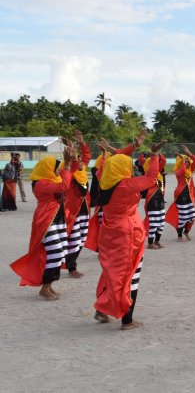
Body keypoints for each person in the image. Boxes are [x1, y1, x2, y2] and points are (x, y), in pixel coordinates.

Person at [92, 142, 163, 330]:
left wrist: (132, 146)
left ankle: (102, 309)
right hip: (127, 234)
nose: (131, 170)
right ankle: (127, 319)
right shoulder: (125, 185)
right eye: (129, 167)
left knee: (111, 271)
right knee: (129, 274)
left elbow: (109, 164)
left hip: (109, 232)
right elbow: (151, 177)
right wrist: (154, 155)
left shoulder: (103, 179)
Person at [10, 142, 75, 300]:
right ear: (48, 169)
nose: (59, 170)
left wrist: (71, 159)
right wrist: (67, 164)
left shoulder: (51, 180)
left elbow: (69, 177)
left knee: (60, 252)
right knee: (56, 252)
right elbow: (65, 186)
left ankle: (49, 285)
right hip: (47, 219)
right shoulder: (41, 184)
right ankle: (44, 288)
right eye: (56, 167)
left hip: (57, 217)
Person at [63, 130, 91, 277]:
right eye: (77, 159)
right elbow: (74, 165)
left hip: (84, 208)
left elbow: (86, 156)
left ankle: (70, 262)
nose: (81, 162)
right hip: (73, 209)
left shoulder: (82, 169)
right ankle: (71, 267)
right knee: (74, 238)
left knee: (82, 237)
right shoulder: (70, 170)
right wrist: (71, 152)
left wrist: (81, 142)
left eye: (81, 160)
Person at [165, 146, 195, 242]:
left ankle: (186, 232)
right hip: (181, 195)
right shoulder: (178, 171)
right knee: (183, 217)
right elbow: (183, 171)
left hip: (190, 196)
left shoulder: (190, 170)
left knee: (192, 216)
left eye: (188, 161)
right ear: (181, 163)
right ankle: (180, 235)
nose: (187, 163)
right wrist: (183, 159)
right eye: (185, 162)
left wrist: (188, 153)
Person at [143, 149, 167, 250]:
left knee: (161, 222)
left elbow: (164, 160)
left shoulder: (158, 172)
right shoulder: (149, 173)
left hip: (160, 199)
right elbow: (154, 165)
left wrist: (157, 153)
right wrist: (154, 156)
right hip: (152, 199)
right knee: (153, 222)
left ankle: (157, 240)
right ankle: (150, 243)